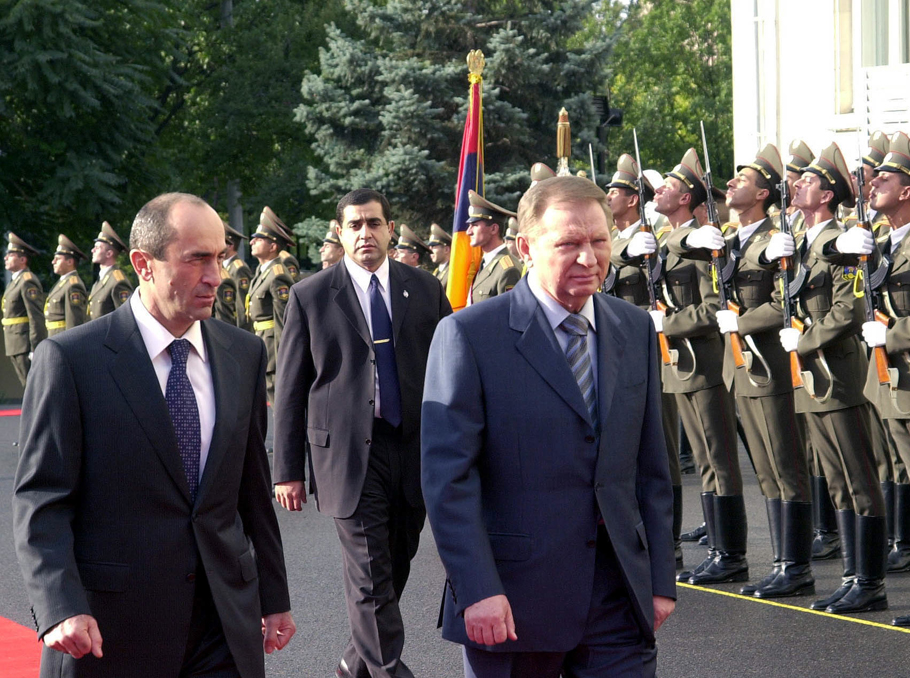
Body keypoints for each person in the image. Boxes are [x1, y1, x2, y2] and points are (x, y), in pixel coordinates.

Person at [12, 192, 295, 678]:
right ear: (143, 264)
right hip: (110, 631)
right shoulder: (74, 360)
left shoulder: (242, 354)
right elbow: (42, 497)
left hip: (222, 624)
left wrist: (274, 595)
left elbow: (249, 487)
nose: (216, 275)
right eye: (197, 259)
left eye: (220, 257)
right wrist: (60, 605)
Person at [422, 176, 675, 678]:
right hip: (513, 603)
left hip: (618, 597)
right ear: (525, 247)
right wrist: (478, 589)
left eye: (599, 241)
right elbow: (448, 479)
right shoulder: (470, 335)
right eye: (569, 244)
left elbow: (651, 465)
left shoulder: (634, 328)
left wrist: (661, 578)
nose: (589, 258)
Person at [272, 188, 451, 678]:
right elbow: (290, 389)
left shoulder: (426, 289)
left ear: (390, 230)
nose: (365, 233)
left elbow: (453, 370)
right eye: (354, 225)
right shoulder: (311, 295)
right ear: (340, 232)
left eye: (374, 223)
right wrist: (287, 470)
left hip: (413, 451)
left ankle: (355, 665)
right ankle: (391, 672)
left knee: (393, 568)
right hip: (348, 455)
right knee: (371, 576)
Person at [683, 145, 814, 598]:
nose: (732, 183)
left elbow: (782, 305)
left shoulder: (775, 240)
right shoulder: (730, 239)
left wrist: (739, 321)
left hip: (771, 369)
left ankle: (797, 568)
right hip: (740, 369)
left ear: (763, 193)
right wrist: (693, 240)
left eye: (743, 179)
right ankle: (781, 563)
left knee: (785, 466)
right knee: (765, 470)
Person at [763, 142, 887, 614]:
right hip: (811, 375)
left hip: (838, 372)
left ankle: (870, 582)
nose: (797, 184)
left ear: (830, 194)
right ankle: (853, 575)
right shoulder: (799, 240)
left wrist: (807, 340)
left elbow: (849, 308)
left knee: (859, 477)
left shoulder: (843, 241)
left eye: (809, 181)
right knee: (835, 479)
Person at [650, 149, 746, 586]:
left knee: (718, 458)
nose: (660, 190)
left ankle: (731, 554)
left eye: (669, 186)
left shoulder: (703, 240)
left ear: (686, 198)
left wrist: (664, 324)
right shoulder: (667, 239)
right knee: (706, 461)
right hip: (679, 366)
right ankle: (718, 550)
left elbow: (712, 308)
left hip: (704, 362)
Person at [604, 153, 684, 566]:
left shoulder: (652, 239)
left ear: (634, 199)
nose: (608, 195)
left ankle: (669, 542)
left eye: (615, 191)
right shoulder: (616, 241)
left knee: (662, 450)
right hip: (618, 351)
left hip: (654, 352)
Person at [858, 131, 910, 625]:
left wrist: (891, 334)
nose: (874, 183)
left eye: (885, 178)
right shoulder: (883, 243)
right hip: (891, 384)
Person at [247, 218, 295, 406]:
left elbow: (284, 321)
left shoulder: (278, 275)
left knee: (280, 403)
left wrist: (284, 358)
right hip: (262, 340)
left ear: (272, 246)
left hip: (273, 348)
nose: (252, 242)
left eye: (258, 239)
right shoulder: (262, 271)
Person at [2, 233, 46, 386]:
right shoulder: (15, 282)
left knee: (33, 386)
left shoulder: (27, 281)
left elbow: (36, 317)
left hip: (24, 343)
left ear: (22, 259)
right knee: (27, 385)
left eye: (11, 254)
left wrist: (36, 347)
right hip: (15, 342)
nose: (6, 258)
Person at [466, 191, 521, 305]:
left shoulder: (508, 269)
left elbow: (509, 316)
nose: (468, 232)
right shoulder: (485, 263)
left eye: (475, 225)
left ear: (493, 229)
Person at [44, 235, 89, 338]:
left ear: (70, 262)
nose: (53, 262)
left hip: (63, 340)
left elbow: (74, 322)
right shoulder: (63, 283)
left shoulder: (73, 285)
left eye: (58, 259)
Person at [88, 221, 133, 320]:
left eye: (97, 247)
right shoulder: (101, 280)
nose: (92, 250)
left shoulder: (118, 281)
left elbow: (125, 319)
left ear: (109, 254)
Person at [223, 222, 253, 331]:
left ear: (230, 245)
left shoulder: (239, 269)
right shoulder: (225, 266)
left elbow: (242, 304)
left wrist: (241, 331)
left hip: (234, 325)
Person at [428, 223, 453, 288]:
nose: (430, 250)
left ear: (446, 250)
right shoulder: (436, 272)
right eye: (430, 247)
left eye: (433, 246)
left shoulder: (453, 272)